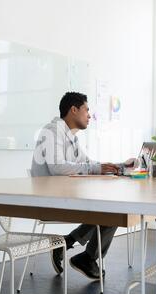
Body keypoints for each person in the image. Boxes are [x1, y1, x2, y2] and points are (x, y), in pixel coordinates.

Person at [31, 91, 135, 280]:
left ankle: (70, 245)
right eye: (87, 110)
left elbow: (90, 164)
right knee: (113, 211)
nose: (90, 116)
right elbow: (57, 168)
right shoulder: (51, 131)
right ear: (73, 110)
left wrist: (120, 165)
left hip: (65, 194)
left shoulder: (72, 137)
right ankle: (84, 255)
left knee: (114, 209)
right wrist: (95, 167)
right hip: (48, 199)